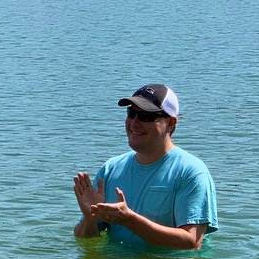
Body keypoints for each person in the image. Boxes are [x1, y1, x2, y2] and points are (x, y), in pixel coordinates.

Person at [73, 84, 216, 250]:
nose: (134, 123)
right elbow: (84, 237)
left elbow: (192, 242)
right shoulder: (110, 169)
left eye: (146, 116)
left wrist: (129, 219)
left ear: (170, 123)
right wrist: (90, 219)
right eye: (131, 113)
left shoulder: (191, 171)